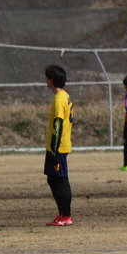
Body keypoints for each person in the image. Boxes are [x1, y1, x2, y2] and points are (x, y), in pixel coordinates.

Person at [44, 65, 74, 226]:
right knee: (52, 179)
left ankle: (66, 216)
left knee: (60, 180)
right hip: (57, 146)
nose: (46, 80)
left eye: (47, 78)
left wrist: (54, 149)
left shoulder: (59, 100)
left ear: (51, 80)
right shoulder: (64, 95)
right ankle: (62, 214)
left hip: (58, 147)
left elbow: (58, 125)